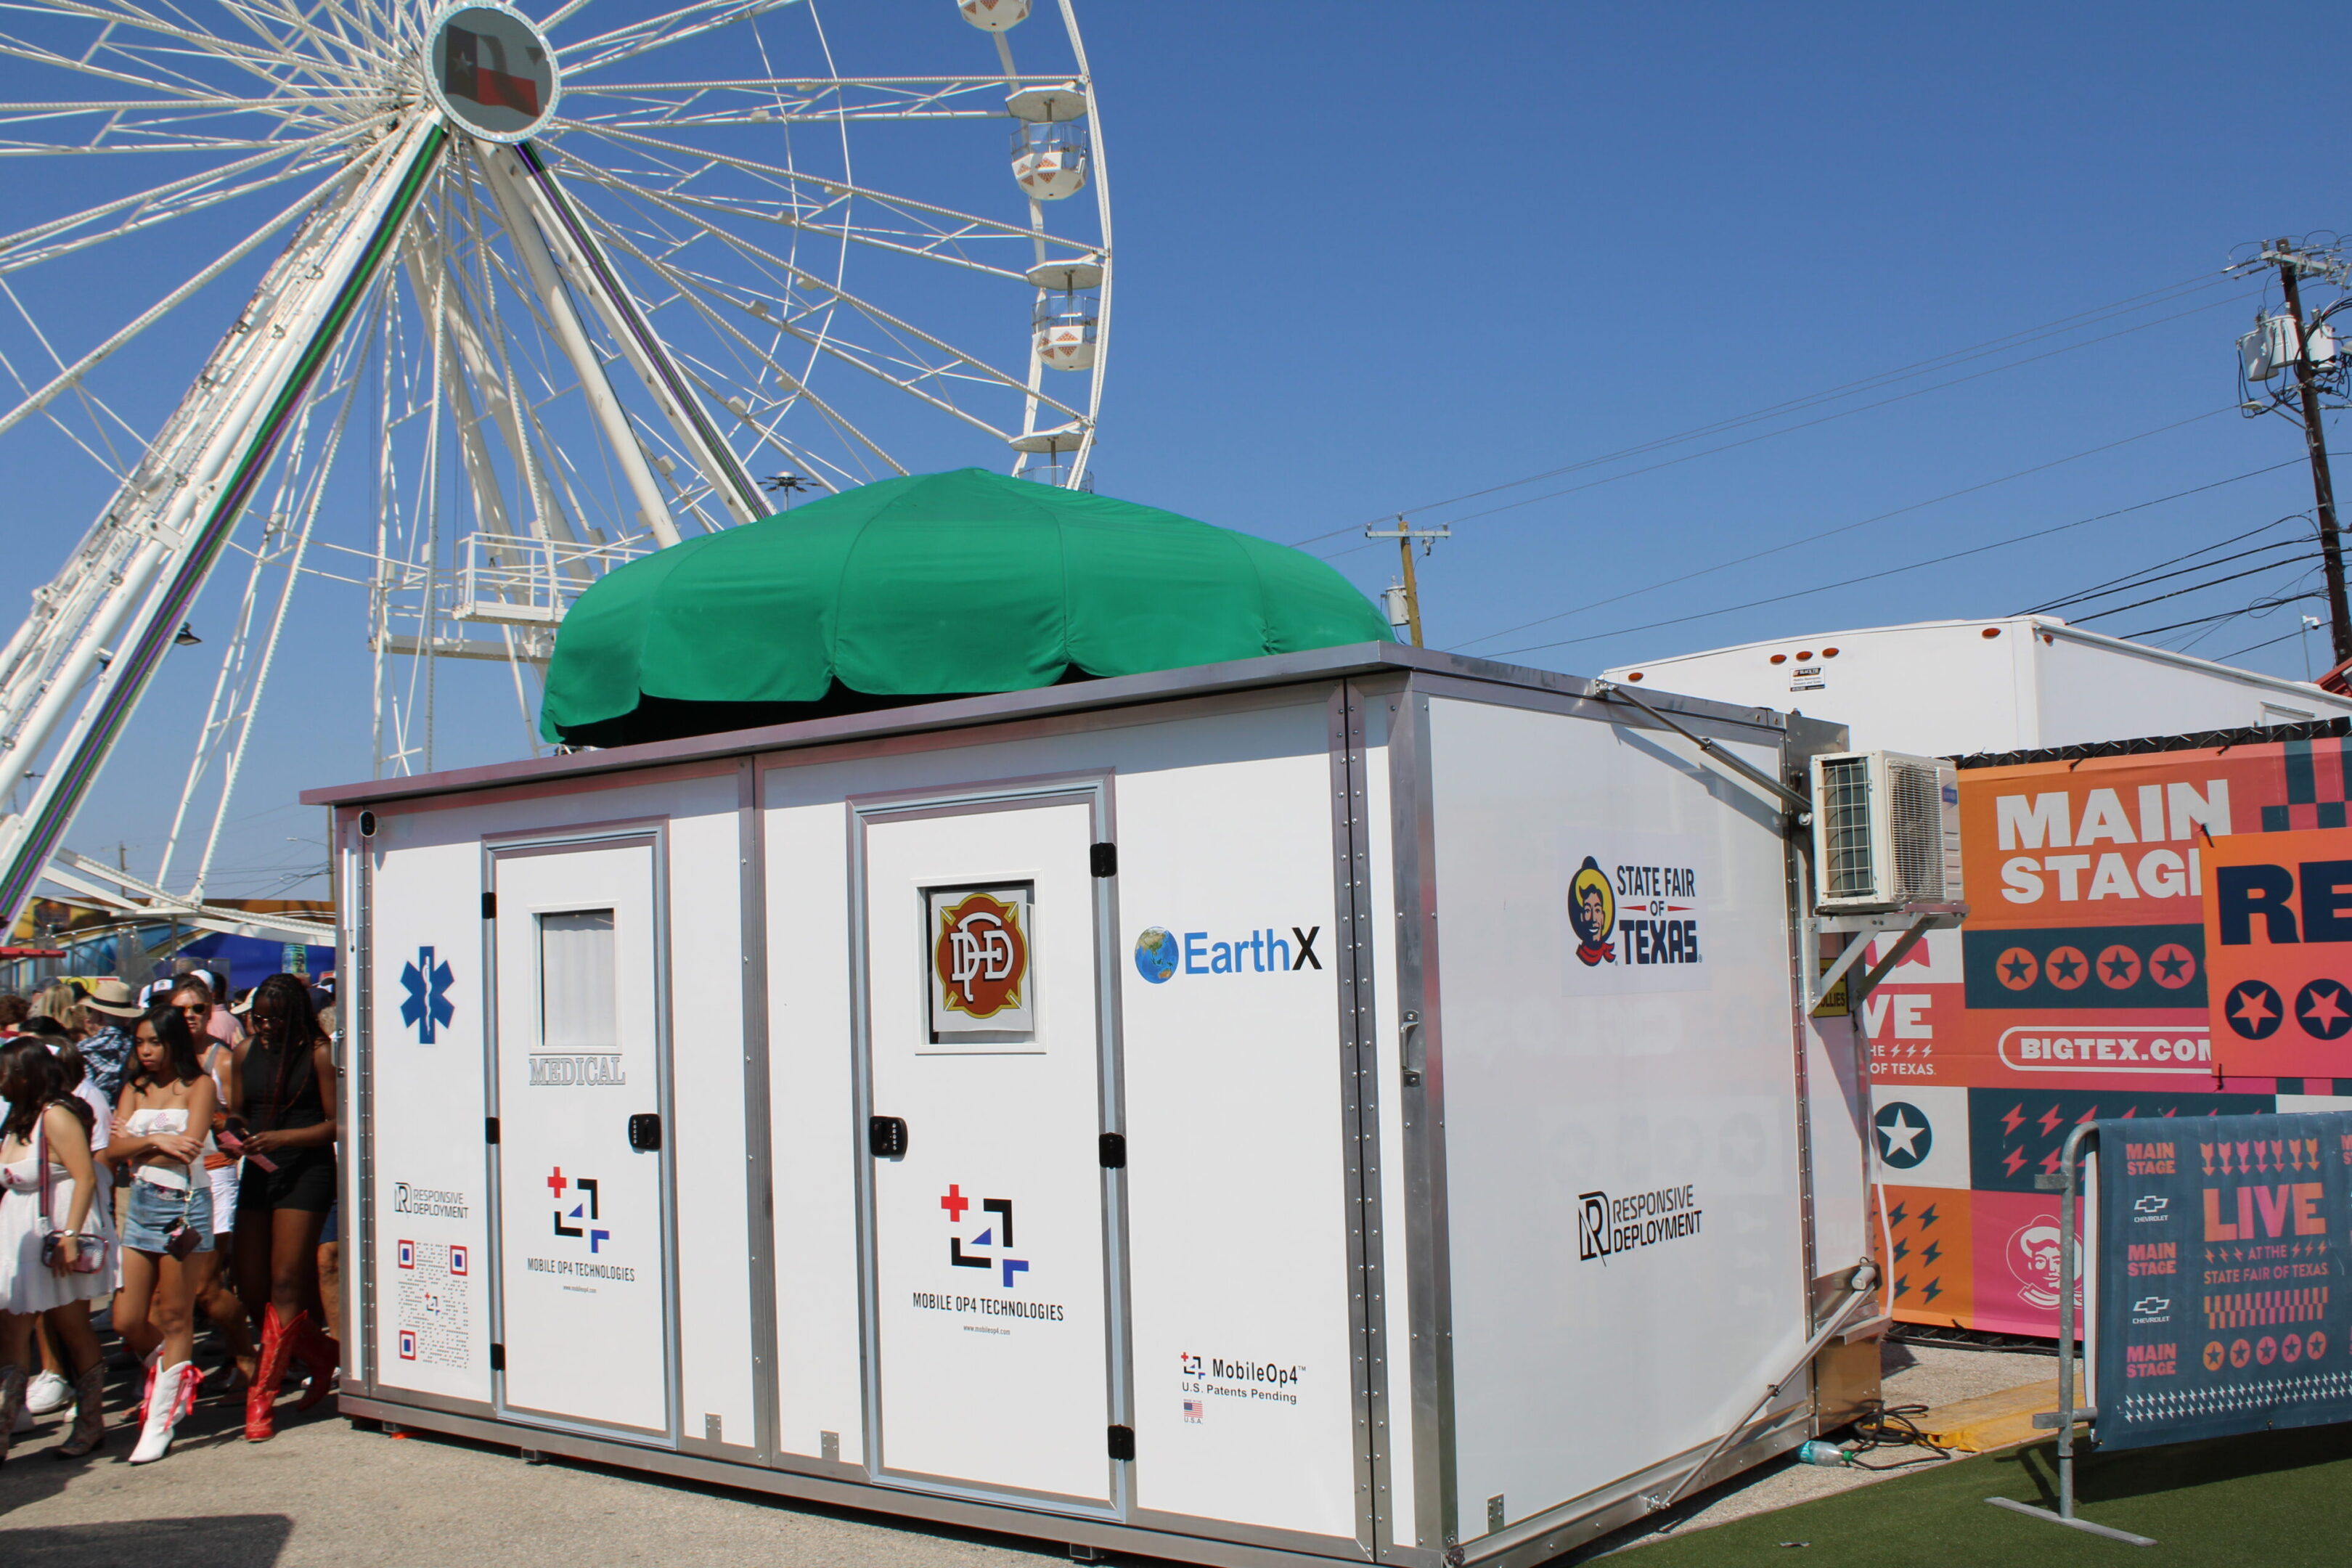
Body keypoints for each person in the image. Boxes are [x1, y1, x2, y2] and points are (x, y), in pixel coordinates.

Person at [229, 973, 338, 1441]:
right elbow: (237, 1108)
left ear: (296, 1015)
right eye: (259, 1018)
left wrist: (283, 1137)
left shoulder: (318, 1053)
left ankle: (263, 1397)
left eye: (276, 1018)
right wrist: (230, 1131)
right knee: (248, 1281)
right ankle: (321, 1352)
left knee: (287, 1279)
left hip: (306, 1171)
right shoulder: (243, 1052)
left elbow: (336, 1125)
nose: (266, 1026)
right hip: (259, 1166)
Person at [105, 1006, 217, 1463]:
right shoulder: (135, 1087)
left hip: (185, 1203)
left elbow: (189, 1146)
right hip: (142, 1202)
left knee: (175, 1316)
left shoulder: (200, 1085)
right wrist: (155, 1142)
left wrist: (141, 1142)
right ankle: (175, 1371)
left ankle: (163, 1417)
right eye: (139, 1043)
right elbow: (112, 1151)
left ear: (173, 1041)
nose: (146, 1051)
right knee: (126, 1319)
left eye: (154, 1042)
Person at [0, 1038, 114, 1463]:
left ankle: (90, 1423)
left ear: (26, 1073)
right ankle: (4, 1427)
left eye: (5, 1073)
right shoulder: (19, 1118)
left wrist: (70, 1235)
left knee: (71, 1326)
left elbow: (85, 1177)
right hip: (17, 1234)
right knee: (12, 1329)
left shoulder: (57, 1116)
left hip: (55, 1232)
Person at [162, 978, 256, 1390]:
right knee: (162, 1296)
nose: (190, 1018)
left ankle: (246, 1358)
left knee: (206, 1287)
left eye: (198, 1010)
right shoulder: (159, 1059)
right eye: (182, 1010)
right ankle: (168, 1376)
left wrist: (224, 1129)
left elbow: (242, 1118)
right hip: (166, 1182)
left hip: (213, 1177)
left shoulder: (222, 1060)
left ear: (210, 1011)